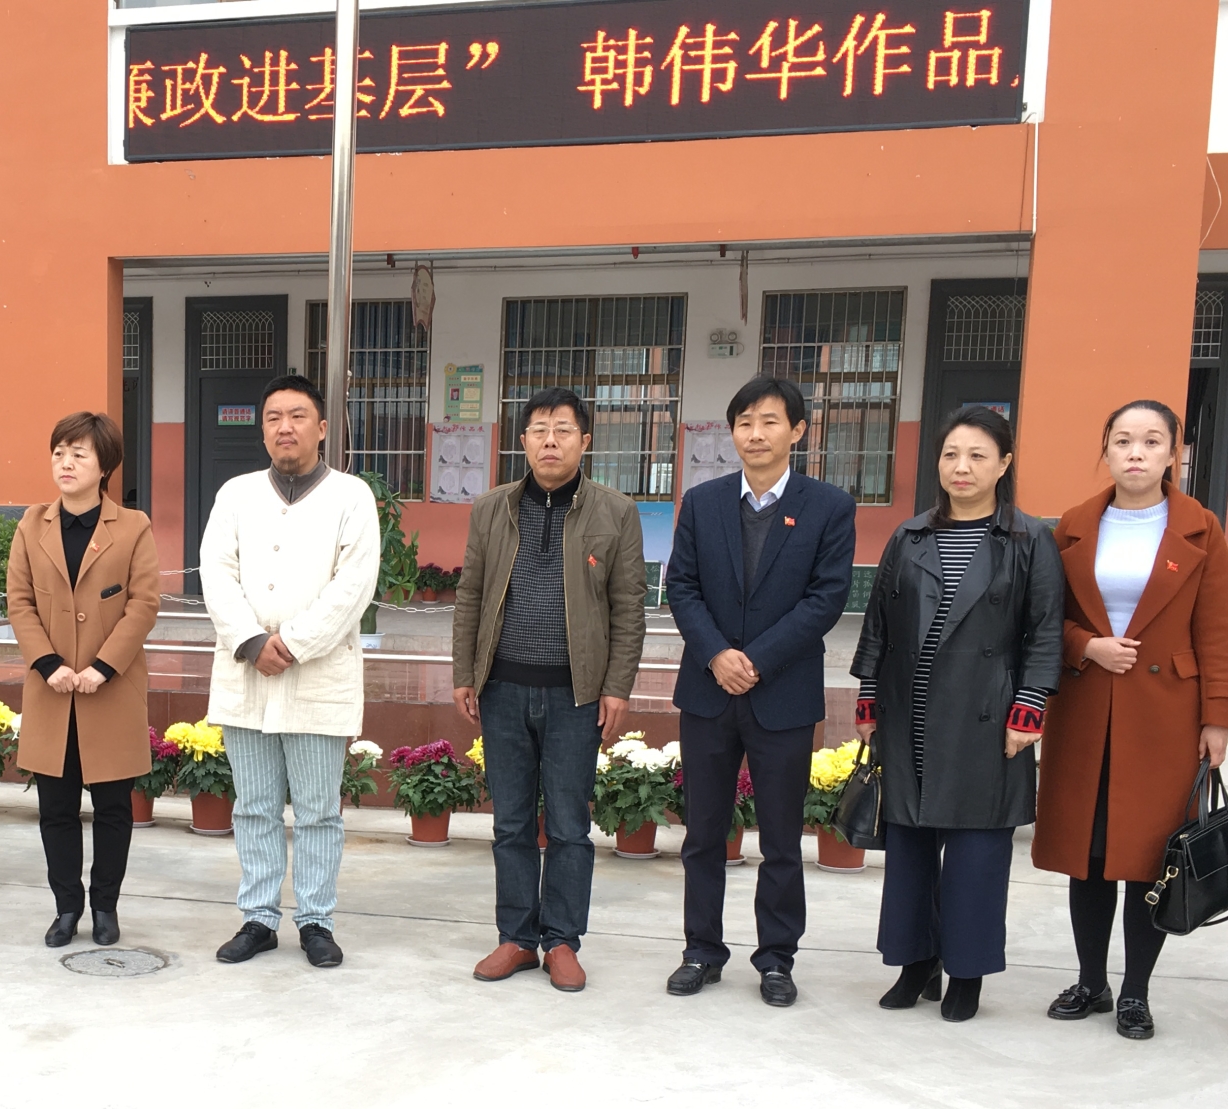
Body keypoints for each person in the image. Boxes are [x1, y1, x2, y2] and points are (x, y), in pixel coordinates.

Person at [851, 407, 1061, 1022]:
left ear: (1003, 463)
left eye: (976, 455)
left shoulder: (1029, 539)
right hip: (909, 712)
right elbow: (877, 625)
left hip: (986, 714)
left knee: (976, 852)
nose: (961, 467)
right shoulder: (910, 536)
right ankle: (917, 962)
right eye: (950, 455)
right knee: (911, 848)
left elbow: (1045, 631)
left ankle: (966, 971)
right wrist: (867, 695)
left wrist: (1029, 708)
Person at [1034, 399, 1228, 1041]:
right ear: (1106, 451)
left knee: (1150, 858)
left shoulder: (1202, 529)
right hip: (1086, 707)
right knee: (1087, 855)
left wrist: (1218, 718)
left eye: (1151, 441)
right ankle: (1091, 982)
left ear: (1174, 452)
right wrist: (1086, 646)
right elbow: (1045, 619)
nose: (1136, 453)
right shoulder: (1072, 526)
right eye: (1122, 440)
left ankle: (1136, 993)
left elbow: (1217, 630)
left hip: (1167, 715)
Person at [664, 375, 855, 1006]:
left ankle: (776, 959)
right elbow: (682, 587)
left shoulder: (828, 506)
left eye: (770, 421)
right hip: (708, 692)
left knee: (780, 840)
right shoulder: (703, 502)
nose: (756, 433)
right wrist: (717, 654)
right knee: (703, 835)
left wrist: (757, 661)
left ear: (797, 430)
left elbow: (826, 598)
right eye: (744, 422)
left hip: (782, 696)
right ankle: (701, 950)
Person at [452, 386, 647, 990]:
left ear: (585, 441)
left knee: (567, 826)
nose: (550, 441)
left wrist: (617, 686)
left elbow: (629, 606)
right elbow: (470, 594)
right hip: (503, 689)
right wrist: (465, 673)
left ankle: (562, 940)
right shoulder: (492, 509)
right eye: (539, 429)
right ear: (523, 441)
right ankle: (516, 938)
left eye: (563, 430)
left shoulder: (615, 512)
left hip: (575, 696)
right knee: (510, 823)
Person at [200, 374, 379, 969]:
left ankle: (316, 920)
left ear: (322, 428)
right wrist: (251, 641)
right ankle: (258, 917)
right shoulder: (236, 494)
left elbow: (354, 586)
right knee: (253, 806)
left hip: (318, 678)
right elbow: (215, 572)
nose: (285, 427)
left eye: (298, 416)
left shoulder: (351, 497)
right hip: (246, 674)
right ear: (262, 430)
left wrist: (294, 644)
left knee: (318, 811)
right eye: (274, 417)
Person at [6, 411, 161, 948]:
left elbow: (143, 604)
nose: (65, 463)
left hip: (110, 689)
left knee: (114, 809)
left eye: (79, 454)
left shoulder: (133, 526)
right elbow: (19, 603)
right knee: (56, 809)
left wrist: (104, 666)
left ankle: (106, 907)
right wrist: (48, 663)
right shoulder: (32, 525)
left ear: (104, 465)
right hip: (51, 690)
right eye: (59, 453)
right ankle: (66, 907)